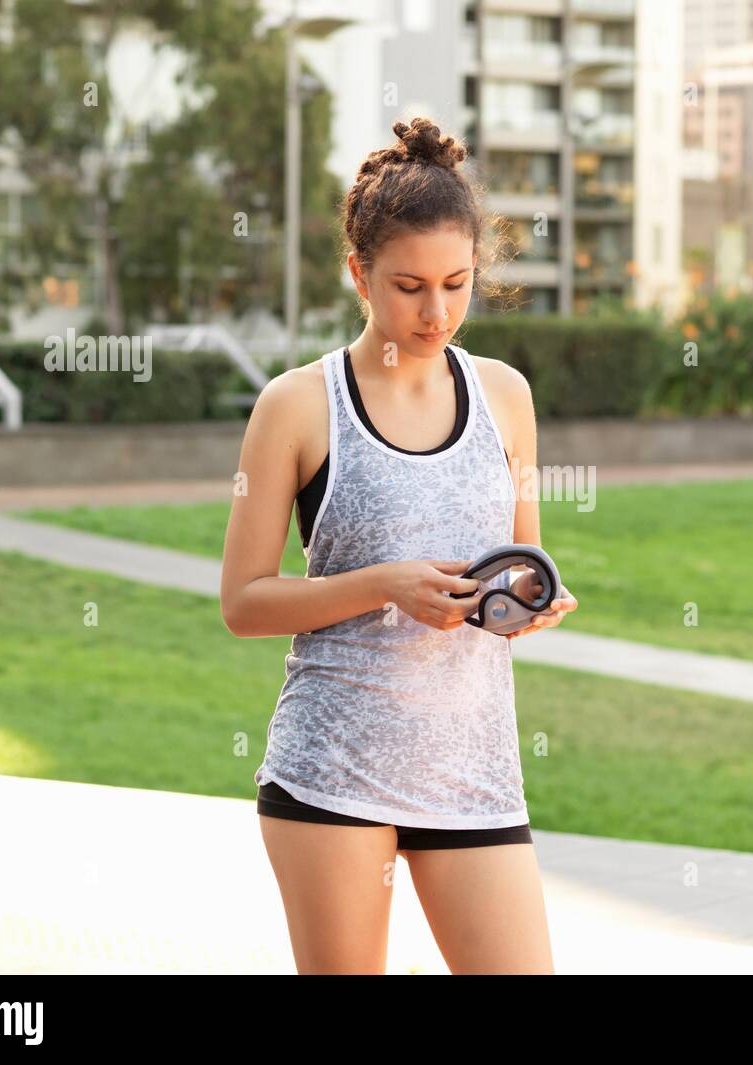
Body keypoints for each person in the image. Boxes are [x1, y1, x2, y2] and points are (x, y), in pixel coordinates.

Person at [220, 116, 578, 974]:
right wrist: (386, 584)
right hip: (330, 771)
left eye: (458, 283)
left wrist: (523, 606)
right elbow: (244, 602)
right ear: (359, 273)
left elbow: (519, 555)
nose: (438, 311)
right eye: (410, 286)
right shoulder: (298, 406)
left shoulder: (506, 396)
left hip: (472, 768)